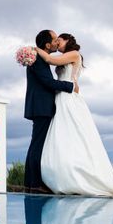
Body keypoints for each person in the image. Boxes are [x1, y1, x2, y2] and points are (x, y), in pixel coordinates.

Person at [35, 34, 113, 197]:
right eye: (55, 40)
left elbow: (49, 59)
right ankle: (60, 176)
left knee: (75, 133)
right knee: (61, 136)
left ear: (67, 41)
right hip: (60, 97)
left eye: (59, 40)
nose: (57, 43)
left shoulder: (74, 54)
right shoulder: (63, 56)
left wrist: (34, 49)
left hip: (69, 97)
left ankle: (80, 177)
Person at [23, 30, 78, 194]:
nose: (56, 42)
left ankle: (30, 183)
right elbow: (47, 82)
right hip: (41, 107)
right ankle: (35, 184)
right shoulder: (39, 59)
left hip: (41, 106)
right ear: (47, 45)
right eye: (54, 40)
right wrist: (70, 87)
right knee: (37, 146)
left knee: (36, 144)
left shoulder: (40, 58)